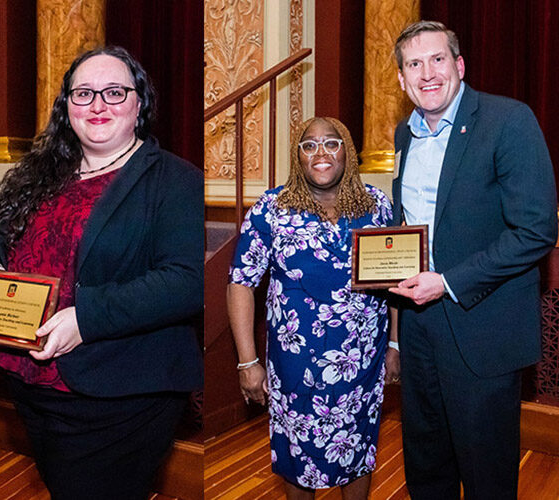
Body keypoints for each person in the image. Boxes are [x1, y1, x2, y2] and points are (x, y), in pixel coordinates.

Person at [0, 46, 203, 500]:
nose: (98, 105)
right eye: (84, 94)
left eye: (114, 92)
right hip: (32, 382)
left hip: (120, 392)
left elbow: (185, 282)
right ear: (67, 108)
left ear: (139, 103)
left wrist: (86, 319)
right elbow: (5, 251)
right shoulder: (36, 174)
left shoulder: (176, 180)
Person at [388, 21, 557, 499]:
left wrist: (448, 281)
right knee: (426, 467)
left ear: (459, 65)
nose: (427, 73)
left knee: (487, 476)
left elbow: (536, 230)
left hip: (482, 327)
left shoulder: (508, 120)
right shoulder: (405, 134)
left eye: (437, 59)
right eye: (413, 64)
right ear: (401, 79)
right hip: (420, 328)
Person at [228, 116, 399, 499]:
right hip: (295, 366)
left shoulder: (377, 206)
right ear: (298, 157)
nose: (320, 152)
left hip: (362, 362)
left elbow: (394, 282)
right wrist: (247, 361)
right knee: (295, 458)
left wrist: (395, 345)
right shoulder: (272, 209)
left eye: (331, 143)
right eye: (309, 145)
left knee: (358, 450)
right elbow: (241, 282)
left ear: (348, 152)